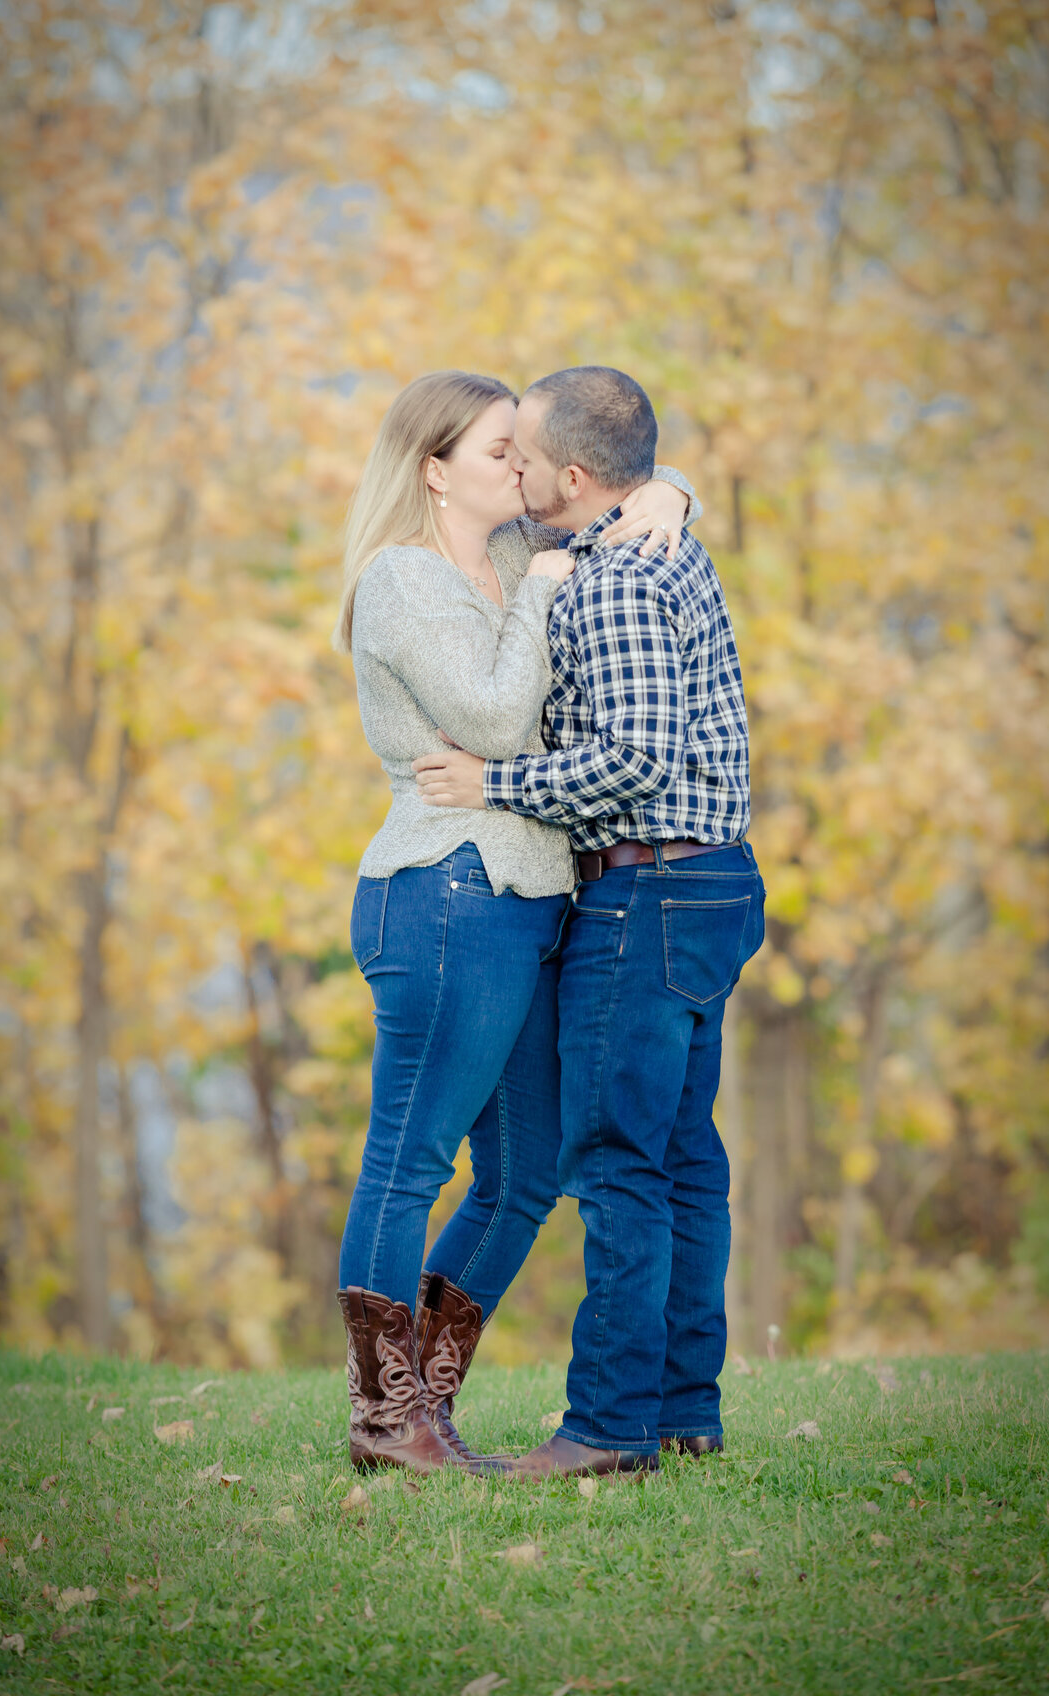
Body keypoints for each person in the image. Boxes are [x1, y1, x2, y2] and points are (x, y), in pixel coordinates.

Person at [333, 369, 696, 1473]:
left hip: (532, 902)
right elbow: (493, 714)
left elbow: (620, 493)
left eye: (523, 452)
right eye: (500, 452)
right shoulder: (401, 583)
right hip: (445, 895)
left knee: (527, 1173)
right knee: (409, 1159)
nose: (523, 470)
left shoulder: (506, 554)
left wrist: (673, 487)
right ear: (434, 469)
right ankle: (386, 1417)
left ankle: (428, 1404)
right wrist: (540, 585)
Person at [414, 366, 764, 1480]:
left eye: (523, 456)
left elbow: (635, 759)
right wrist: (676, 491)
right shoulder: (652, 536)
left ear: (571, 475)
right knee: (682, 1156)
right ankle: (680, 1408)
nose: (509, 468)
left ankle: (608, 1428)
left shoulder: (612, 581)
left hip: (648, 890)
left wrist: (493, 786)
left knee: (617, 1161)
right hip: (710, 885)